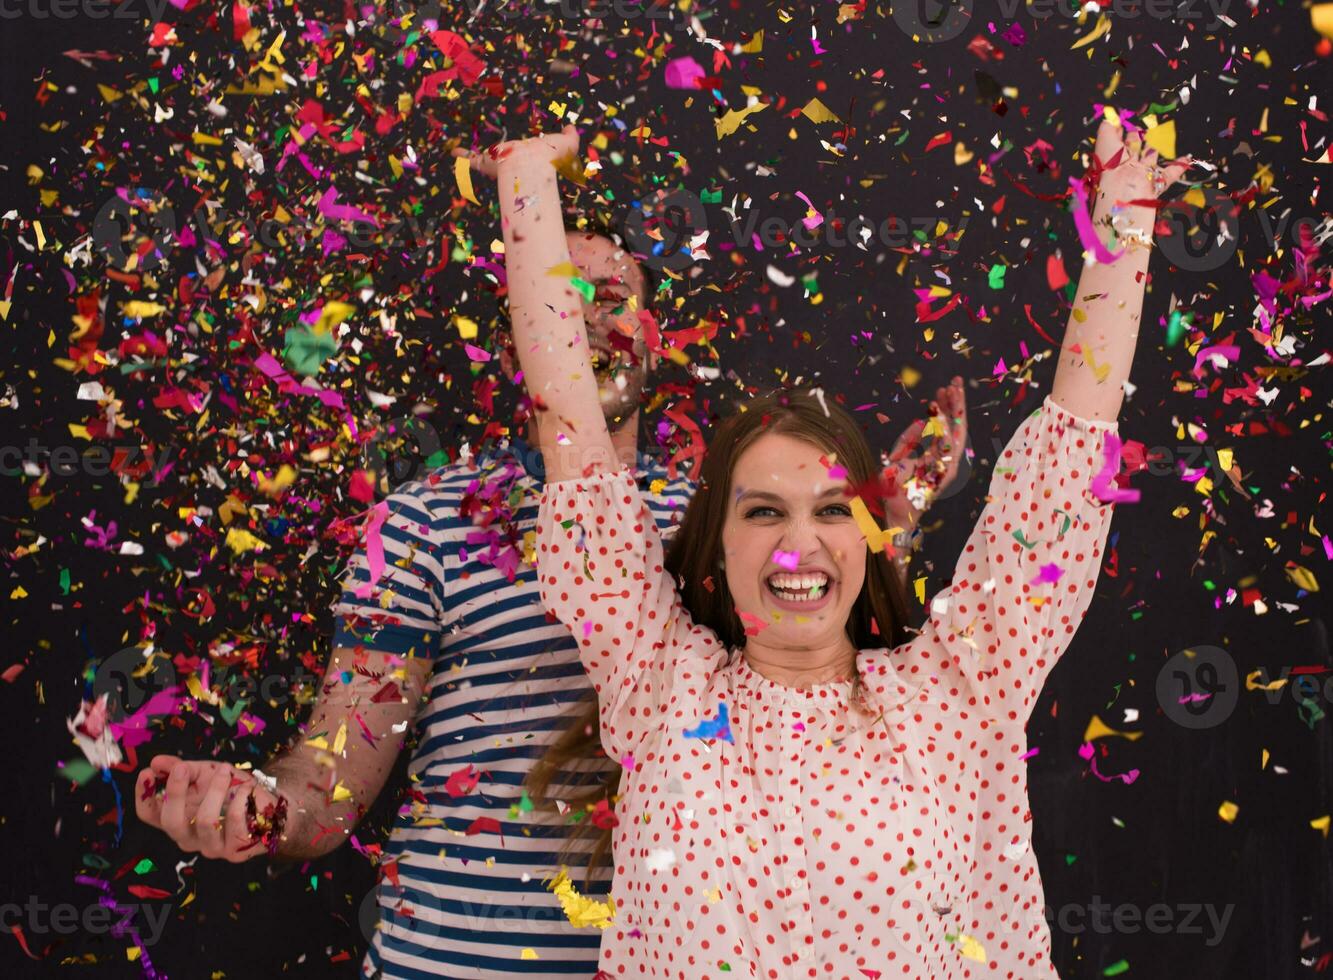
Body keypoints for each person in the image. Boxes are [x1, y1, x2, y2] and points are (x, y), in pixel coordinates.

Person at [131, 183, 957, 977]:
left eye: (609, 297)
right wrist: (261, 805)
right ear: (519, 334)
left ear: (655, 332)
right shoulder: (423, 522)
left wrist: (875, 537)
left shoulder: (730, 522)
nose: (586, 324)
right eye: (556, 303)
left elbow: (825, 722)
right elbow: (331, 778)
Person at [465, 116, 1189, 979]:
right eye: (764, 512)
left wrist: (1123, 215)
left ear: (871, 538)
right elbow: (572, 433)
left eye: (833, 511)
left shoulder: (959, 691)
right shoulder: (659, 681)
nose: (798, 544)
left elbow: (1070, 453)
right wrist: (526, 182)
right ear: (717, 548)